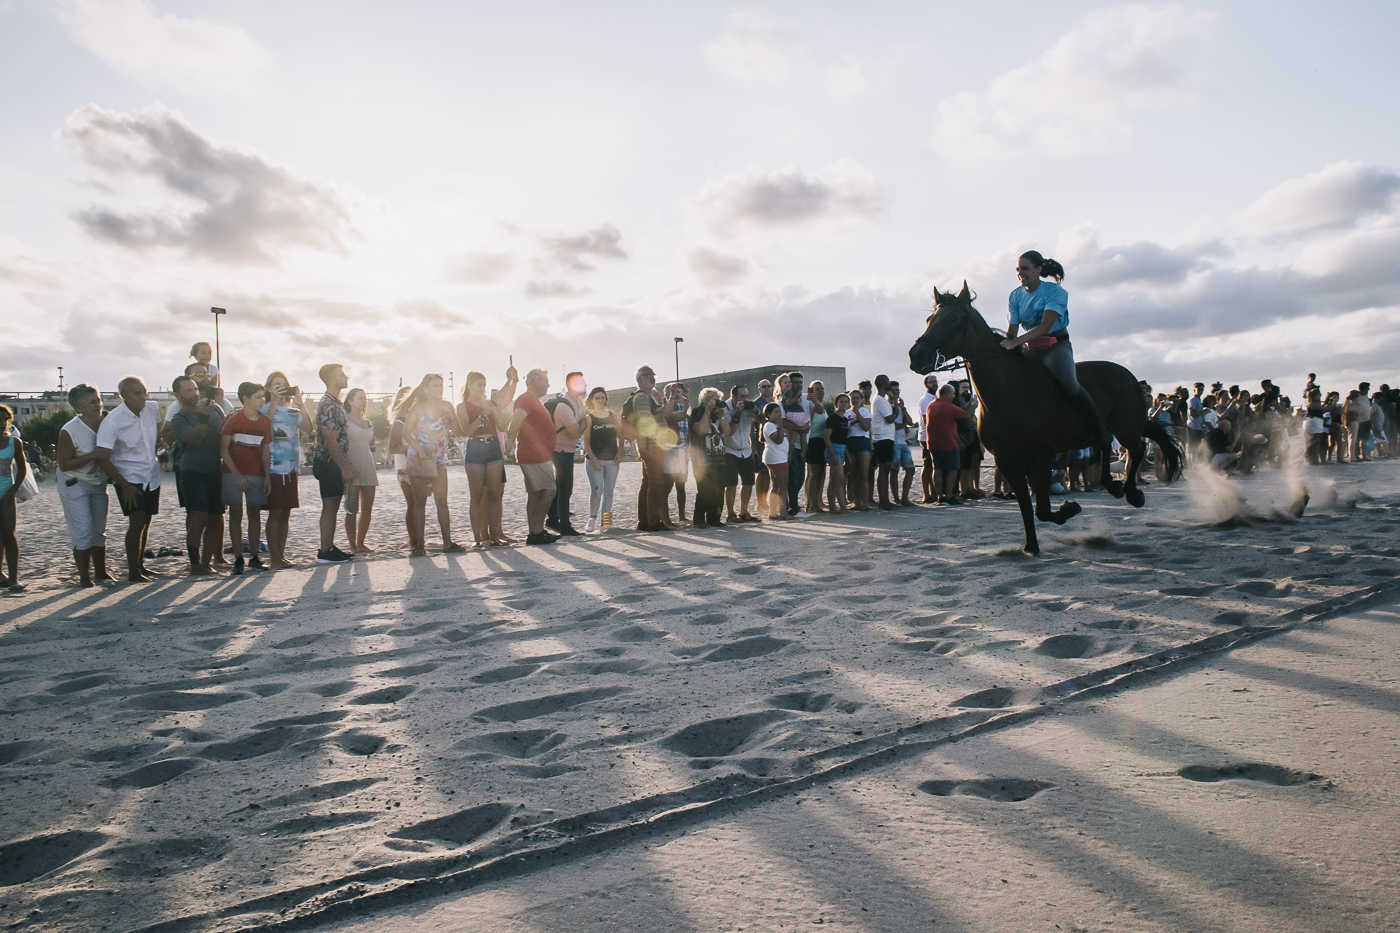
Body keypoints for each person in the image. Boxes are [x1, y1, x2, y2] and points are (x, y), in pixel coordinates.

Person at [1001, 251, 1113, 450]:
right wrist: (1003, 344)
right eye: (1018, 270)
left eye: (1025, 269)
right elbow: (1012, 332)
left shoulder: (1055, 292)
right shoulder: (1015, 296)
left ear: (1038, 269)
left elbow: (1045, 326)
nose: (1020, 273)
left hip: (1056, 346)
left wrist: (1015, 342)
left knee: (1070, 384)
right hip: (1031, 349)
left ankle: (1099, 431)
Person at [94, 377, 162, 582]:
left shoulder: (152, 408)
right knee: (136, 522)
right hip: (128, 476)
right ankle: (133, 572)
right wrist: (123, 485)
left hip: (151, 473)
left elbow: (159, 429)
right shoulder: (113, 421)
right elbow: (102, 457)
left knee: (146, 521)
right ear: (123, 396)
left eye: (144, 391)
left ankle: (141, 565)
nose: (142, 397)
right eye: (136, 393)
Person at [56, 384, 112, 587]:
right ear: (78, 407)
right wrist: (93, 455)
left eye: (97, 399)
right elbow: (64, 464)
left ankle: (101, 572)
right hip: (74, 482)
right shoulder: (69, 430)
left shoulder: (108, 422)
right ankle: (84, 577)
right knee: (83, 529)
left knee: (99, 529)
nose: (97, 405)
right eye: (91, 402)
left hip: (98, 482)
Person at [168, 375, 225, 576]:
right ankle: (194, 564)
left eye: (195, 389)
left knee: (216, 518)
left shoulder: (215, 409)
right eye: (188, 390)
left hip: (214, 469)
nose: (194, 393)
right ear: (178, 395)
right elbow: (194, 438)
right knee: (197, 517)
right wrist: (202, 417)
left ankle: (206, 562)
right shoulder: (179, 419)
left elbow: (226, 432)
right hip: (191, 472)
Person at [262, 371, 315, 569]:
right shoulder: (266, 407)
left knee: (286, 513)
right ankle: (274, 558)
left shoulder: (294, 411)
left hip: (292, 467)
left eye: (283, 384)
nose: (280, 387)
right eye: (275, 384)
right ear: (268, 388)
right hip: (274, 466)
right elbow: (264, 426)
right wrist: (274, 400)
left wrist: (301, 404)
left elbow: (309, 429)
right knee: (275, 513)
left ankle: (280, 555)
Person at [458, 367, 515, 546]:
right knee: (476, 495)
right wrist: (480, 417)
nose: (482, 388)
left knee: (494, 494)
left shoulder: (489, 403)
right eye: (479, 385)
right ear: (469, 385)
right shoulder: (461, 406)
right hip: (475, 447)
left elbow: (502, 424)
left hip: (493, 447)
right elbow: (465, 431)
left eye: (484, 385)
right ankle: (478, 538)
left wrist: (494, 409)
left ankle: (495, 534)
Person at [220, 382, 271, 574]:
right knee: (235, 514)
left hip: (256, 471)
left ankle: (255, 557)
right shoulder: (233, 420)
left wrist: (267, 476)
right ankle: (239, 558)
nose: (262, 400)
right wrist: (237, 475)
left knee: (254, 514)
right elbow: (224, 449)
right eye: (258, 397)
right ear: (246, 399)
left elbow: (266, 450)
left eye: (263, 396)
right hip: (232, 473)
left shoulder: (265, 422)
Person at [506, 368, 559, 545]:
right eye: (545, 380)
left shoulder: (532, 400)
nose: (548, 384)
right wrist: (509, 442)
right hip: (534, 454)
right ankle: (537, 530)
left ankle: (534, 532)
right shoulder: (526, 399)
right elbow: (515, 422)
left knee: (536, 494)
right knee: (549, 491)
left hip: (534, 453)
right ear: (533, 381)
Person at [312, 363, 355, 564]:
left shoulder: (335, 402)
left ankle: (328, 546)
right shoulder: (328, 404)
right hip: (329, 462)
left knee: (333, 505)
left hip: (333, 462)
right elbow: (330, 439)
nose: (345, 377)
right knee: (329, 506)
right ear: (330, 378)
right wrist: (344, 466)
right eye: (341, 374)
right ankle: (325, 550)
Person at [621, 365, 669, 532]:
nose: (653, 379)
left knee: (648, 482)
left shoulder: (644, 396)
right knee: (656, 482)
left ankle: (644, 521)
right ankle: (653, 522)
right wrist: (664, 409)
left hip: (647, 444)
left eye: (653, 376)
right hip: (650, 444)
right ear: (641, 379)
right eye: (650, 376)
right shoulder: (642, 397)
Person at [546, 371, 586, 536]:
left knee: (561, 486)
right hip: (560, 450)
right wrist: (587, 421)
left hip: (566, 449)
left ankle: (553, 519)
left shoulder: (577, 402)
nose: (584, 385)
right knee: (565, 487)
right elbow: (575, 432)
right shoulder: (564, 406)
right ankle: (564, 525)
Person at [342, 388, 378, 555]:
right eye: (359, 398)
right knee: (352, 508)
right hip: (352, 464)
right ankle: (352, 545)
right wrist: (345, 467)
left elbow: (372, 446)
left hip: (368, 464)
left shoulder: (368, 422)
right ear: (350, 401)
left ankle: (361, 542)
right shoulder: (343, 420)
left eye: (364, 398)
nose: (363, 400)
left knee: (368, 507)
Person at [688, 387, 731, 528]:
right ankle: (699, 519)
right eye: (713, 399)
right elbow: (701, 430)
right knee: (705, 488)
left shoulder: (717, 414)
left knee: (719, 488)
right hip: (702, 457)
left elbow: (728, 432)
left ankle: (715, 518)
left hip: (718, 457)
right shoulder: (697, 411)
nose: (716, 402)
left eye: (717, 399)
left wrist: (722, 415)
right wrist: (706, 410)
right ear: (705, 400)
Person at [581, 387, 621, 532]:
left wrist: (620, 453)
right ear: (592, 400)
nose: (600, 400)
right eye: (597, 398)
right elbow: (585, 443)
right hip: (594, 460)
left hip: (612, 460)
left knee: (609, 491)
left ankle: (606, 522)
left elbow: (621, 436)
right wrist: (594, 459)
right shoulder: (589, 418)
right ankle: (592, 518)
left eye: (603, 397)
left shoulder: (613, 416)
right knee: (597, 490)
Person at [926, 384, 972, 504]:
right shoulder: (948, 406)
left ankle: (940, 496)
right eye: (952, 393)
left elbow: (960, 412)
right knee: (952, 469)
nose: (954, 395)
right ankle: (950, 495)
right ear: (946, 394)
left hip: (933, 443)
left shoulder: (931, 405)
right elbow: (965, 415)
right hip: (948, 442)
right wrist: (972, 405)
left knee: (937, 469)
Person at [722, 384, 759, 522]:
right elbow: (730, 430)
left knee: (749, 482)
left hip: (746, 449)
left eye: (746, 396)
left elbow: (760, 421)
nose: (745, 399)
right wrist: (737, 411)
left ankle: (744, 511)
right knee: (731, 483)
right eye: (742, 396)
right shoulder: (725, 408)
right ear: (733, 396)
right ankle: (730, 514)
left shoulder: (749, 405)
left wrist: (755, 411)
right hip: (729, 449)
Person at [779, 372, 812, 517]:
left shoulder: (805, 399)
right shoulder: (782, 401)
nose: (798, 385)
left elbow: (816, 411)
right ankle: (793, 508)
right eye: (795, 382)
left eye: (801, 382)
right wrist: (800, 429)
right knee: (793, 478)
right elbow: (783, 422)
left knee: (800, 478)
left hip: (803, 443)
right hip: (790, 444)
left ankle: (793, 506)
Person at [0, 405, 26, 591]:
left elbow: (23, 469)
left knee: (9, 534)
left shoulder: (14, 442)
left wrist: (13, 490)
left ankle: (14, 578)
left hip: (7, 492)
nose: (1, 423)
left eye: (4, 419)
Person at [662, 382, 690, 524]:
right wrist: (673, 400)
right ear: (667, 394)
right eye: (672, 391)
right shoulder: (665, 407)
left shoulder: (684, 407)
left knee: (681, 485)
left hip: (682, 449)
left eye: (678, 391)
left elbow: (687, 429)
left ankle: (682, 515)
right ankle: (665, 518)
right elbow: (669, 416)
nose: (676, 393)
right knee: (667, 485)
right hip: (669, 450)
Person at [869, 375, 897, 509]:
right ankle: (883, 501)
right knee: (884, 469)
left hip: (885, 437)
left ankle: (884, 499)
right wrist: (896, 403)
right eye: (887, 381)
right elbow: (890, 418)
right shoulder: (880, 400)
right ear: (882, 384)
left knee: (885, 469)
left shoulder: (881, 399)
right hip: (883, 438)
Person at [760, 402, 792, 520]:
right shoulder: (769, 425)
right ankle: (783, 513)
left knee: (776, 486)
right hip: (776, 458)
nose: (779, 414)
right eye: (776, 412)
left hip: (779, 457)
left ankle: (773, 512)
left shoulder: (774, 425)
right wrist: (780, 427)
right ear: (768, 414)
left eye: (780, 412)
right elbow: (778, 440)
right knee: (782, 486)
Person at [889, 381, 918, 505]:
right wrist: (903, 425)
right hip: (893, 442)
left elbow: (911, 422)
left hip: (903, 443)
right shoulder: (887, 406)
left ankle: (905, 498)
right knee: (894, 471)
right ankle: (896, 498)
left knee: (910, 470)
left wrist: (903, 409)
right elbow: (892, 426)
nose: (897, 393)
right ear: (889, 392)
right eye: (894, 390)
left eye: (898, 391)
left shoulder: (901, 407)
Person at [751, 377, 776, 517]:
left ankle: (767, 500)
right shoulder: (756, 404)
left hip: (773, 441)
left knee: (771, 472)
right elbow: (752, 425)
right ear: (759, 389)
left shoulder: (774, 402)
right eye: (764, 386)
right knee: (762, 473)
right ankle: (761, 502)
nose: (767, 389)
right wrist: (753, 445)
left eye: (768, 386)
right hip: (760, 441)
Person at [804, 381, 830, 512]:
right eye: (817, 389)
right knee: (813, 474)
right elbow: (808, 420)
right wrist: (814, 402)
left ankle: (818, 501)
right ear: (812, 391)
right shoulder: (811, 405)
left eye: (822, 388)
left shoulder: (823, 407)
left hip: (822, 442)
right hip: (813, 441)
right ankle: (810, 503)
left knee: (821, 474)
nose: (820, 391)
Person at [845, 388, 872, 510]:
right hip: (851, 442)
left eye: (857, 398)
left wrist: (857, 414)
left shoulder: (865, 411)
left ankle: (865, 502)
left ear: (862, 400)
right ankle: (855, 501)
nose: (855, 400)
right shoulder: (846, 413)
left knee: (863, 473)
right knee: (852, 473)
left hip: (863, 441)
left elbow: (866, 427)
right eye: (853, 398)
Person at [825, 392, 851, 512]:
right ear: (836, 404)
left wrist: (846, 454)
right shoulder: (832, 418)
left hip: (842, 448)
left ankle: (835, 505)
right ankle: (840, 505)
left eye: (846, 401)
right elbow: (827, 437)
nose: (844, 404)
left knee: (835, 478)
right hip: (833, 448)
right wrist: (833, 454)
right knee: (838, 478)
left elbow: (844, 438)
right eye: (841, 401)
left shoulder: (845, 419)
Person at [917, 373, 939, 503]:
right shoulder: (925, 399)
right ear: (926, 384)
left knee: (933, 465)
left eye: (935, 381)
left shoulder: (935, 397)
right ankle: (926, 494)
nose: (934, 384)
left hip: (935, 435)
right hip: (926, 437)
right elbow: (927, 420)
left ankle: (933, 492)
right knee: (927, 465)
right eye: (931, 382)